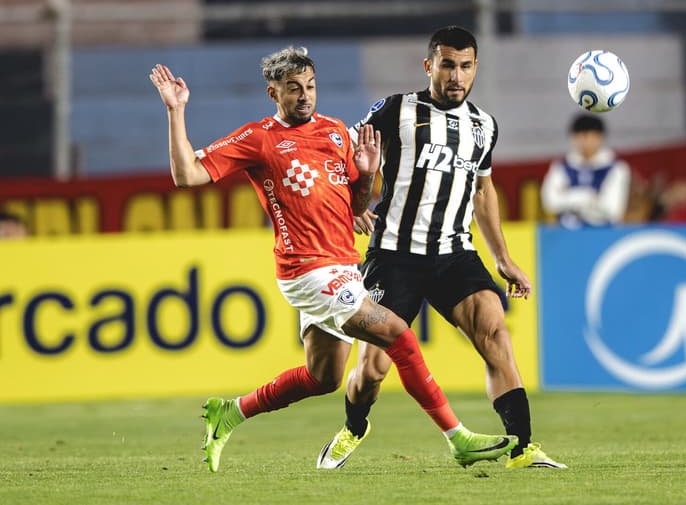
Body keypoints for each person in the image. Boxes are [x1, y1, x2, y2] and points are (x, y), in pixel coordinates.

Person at [148, 46, 517, 472]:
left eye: (310, 86)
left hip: (343, 266)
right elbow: (186, 175)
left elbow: (357, 205)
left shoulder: (336, 132)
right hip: (307, 270)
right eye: (293, 88)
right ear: (273, 93)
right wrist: (176, 111)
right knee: (399, 336)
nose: (304, 95)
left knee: (323, 377)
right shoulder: (259, 138)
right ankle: (458, 438)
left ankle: (230, 413)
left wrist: (367, 173)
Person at [315, 25, 565, 470]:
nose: (456, 75)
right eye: (448, 65)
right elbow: (341, 157)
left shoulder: (484, 126)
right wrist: (352, 204)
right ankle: (354, 426)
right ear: (429, 65)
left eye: (465, 66)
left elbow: (482, 191)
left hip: (454, 254)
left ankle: (523, 447)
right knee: (372, 370)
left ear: (476, 68)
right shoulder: (395, 110)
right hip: (394, 255)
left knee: (495, 335)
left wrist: (503, 258)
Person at [540, 113, 631, 228]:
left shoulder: (616, 167)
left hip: (603, 233)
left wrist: (567, 196)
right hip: (566, 232)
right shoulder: (561, 166)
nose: (583, 142)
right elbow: (550, 203)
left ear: (599, 137)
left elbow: (612, 209)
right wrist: (590, 196)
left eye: (588, 136)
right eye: (579, 137)